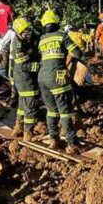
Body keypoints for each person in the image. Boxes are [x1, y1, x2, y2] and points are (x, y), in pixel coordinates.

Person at [37, 9, 85, 152]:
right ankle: (72, 143)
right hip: (57, 77)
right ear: (57, 22)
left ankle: (54, 140)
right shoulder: (61, 36)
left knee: (51, 111)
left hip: (42, 78)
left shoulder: (42, 39)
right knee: (65, 111)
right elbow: (77, 52)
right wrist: (66, 61)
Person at [11, 17, 42, 138]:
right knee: (30, 104)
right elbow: (25, 65)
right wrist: (42, 66)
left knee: (22, 104)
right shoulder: (17, 46)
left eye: (29, 30)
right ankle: (28, 132)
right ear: (18, 33)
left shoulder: (28, 37)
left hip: (24, 76)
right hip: (24, 77)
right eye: (25, 32)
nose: (28, 33)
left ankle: (18, 127)